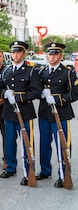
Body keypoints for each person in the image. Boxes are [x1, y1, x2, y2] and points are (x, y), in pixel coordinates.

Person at [0, 41, 42, 186]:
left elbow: (36, 91)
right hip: (8, 112)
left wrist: (17, 97)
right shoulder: (6, 70)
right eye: (13, 52)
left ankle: (28, 171)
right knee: (9, 142)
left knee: (27, 144)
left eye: (18, 52)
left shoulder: (31, 70)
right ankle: (11, 168)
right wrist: (4, 93)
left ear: (23, 54)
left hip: (25, 112)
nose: (15, 55)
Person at [37, 42, 78, 188]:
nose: (52, 56)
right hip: (44, 113)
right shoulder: (42, 71)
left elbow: (74, 93)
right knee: (44, 143)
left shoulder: (68, 72)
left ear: (60, 55)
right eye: (50, 54)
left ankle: (64, 174)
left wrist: (57, 99)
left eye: (55, 54)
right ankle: (45, 170)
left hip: (61, 113)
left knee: (63, 144)